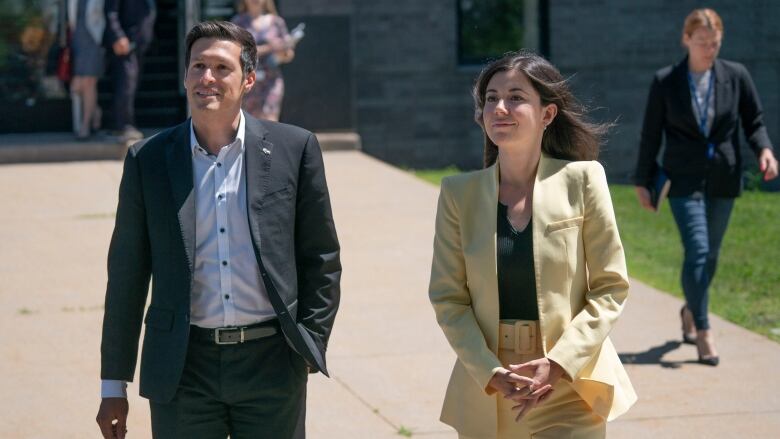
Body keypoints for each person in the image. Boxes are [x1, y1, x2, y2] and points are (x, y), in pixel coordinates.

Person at [95, 20, 341, 439]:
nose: (206, 78)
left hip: (271, 363)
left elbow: (320, 257)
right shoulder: (148, 159)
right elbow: (127, 276)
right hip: (182, 366)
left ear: (248, 79)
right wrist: (112, 383)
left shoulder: (293, 149)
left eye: (221, 68)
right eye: (197, 66)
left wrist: (309, 343)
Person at [428, 50, 636, 439]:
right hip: (490, 387)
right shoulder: (459, 194)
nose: (500, 107)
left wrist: (559, 363)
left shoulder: (584, 180)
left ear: (548, 114)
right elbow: (448, 297)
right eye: (491, 98)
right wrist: (489, 370)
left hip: (568, 383)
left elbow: (610, 287)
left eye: (516, 97)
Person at [633, 8, 778, 366]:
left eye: (714, 44)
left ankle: (688, 308)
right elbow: (651, 135)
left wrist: (765, 150)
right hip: (682, 179)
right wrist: (642, 180)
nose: (709, 50)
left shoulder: (736, 76)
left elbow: (754, 121)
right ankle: (703, 328)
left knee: (710, 256)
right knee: (697, 250)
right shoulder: (666, 81)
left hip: (723, 176)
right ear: (686, 40)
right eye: (702, 43)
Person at [232, 0, 294, 121]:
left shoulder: (277, 22)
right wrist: (269, 48)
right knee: (248, 123)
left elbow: (289, 54)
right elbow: (235, 51)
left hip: (271, 81)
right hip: (246, 81)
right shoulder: (238, 22)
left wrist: (282, 52)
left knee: (270, 122)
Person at [104, 0, 155, 143]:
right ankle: (123, 126)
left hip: (139, 45)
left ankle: (121, 124)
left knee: (131, 85)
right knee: (126, 84)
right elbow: (110, 12)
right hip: (125, 44)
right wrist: (118, 36)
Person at [68, 0, 105, 140]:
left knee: (89, 82)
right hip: (76, 41)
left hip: (93, 39)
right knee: (77, 85)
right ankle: (95, 111)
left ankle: (85, 125)